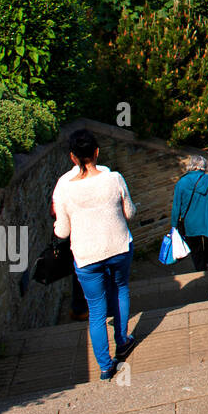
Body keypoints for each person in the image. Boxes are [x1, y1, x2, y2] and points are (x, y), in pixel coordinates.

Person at [52, 129, 137, 380]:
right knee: (120, 288)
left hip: (87, 255)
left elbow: (63, 230)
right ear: (97, 152)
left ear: (72, 157)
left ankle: (105, 366)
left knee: (96, 309)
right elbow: (130, 212)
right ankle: (122, 341)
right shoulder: (114, 178)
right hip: (118, 246)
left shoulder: (65, 189)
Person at [170, 155, 208, 273]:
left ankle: (201, 270)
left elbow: (176, 207)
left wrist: (174, 225)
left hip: (190, 223)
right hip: (207, 221)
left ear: (191, 166)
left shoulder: (181, 183)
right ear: (204, 167)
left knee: (195, 248)